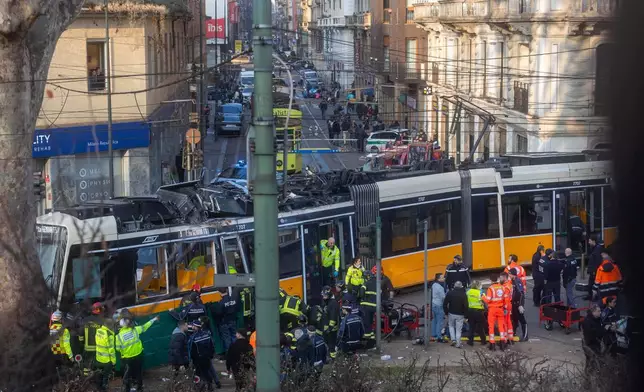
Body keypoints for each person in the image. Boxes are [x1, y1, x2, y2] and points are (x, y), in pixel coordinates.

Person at [115, 314, 159, 392]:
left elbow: (118, 349)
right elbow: (145, 326)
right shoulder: (135, 330)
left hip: (127, 358)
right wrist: (153, 319)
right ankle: (139, 388)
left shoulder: (118, 337)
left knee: (128, 374)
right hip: (139, 356)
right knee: (139, 373)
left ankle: (127, 389)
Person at [189, 319, 222, 391]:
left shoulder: (193, 337)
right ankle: (210, 385)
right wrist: (210, 355)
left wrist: (191, 359)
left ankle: (201, 387)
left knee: (198, 374)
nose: (192, 327)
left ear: (196, 327)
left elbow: (191, 350)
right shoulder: (207, 334)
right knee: (208, 371)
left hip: (198, 360)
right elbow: (212, 346)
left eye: (193, 326)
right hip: (207, 358)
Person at [483, 274, 509, 351]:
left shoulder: (490, 289)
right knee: (501, 326)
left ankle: (492, 344)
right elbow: (506, 299)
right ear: (497, 279)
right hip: (500, 309)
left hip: (492, 310)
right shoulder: (502, 287)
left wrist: (482, 296)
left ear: (491, 280)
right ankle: (502, 343)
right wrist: (505, 308)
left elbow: (487, 300)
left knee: (491, 326)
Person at [213, 287, 239, 353]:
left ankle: (230, 354)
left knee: (227, 339)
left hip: (224, 322)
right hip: (233, 320)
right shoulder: (233, 299)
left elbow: (218, 313)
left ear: (219, 293)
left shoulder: (221, 303)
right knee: (234, 336)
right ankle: (236, 351)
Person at [443, 281, 468, 348]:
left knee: (451, 326)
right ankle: (458, 343)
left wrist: (446, 312)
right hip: (460, 314)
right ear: (461, 286)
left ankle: (453, 340)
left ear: (454, 286)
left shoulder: (450, 293)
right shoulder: (463, 294)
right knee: (458, 329)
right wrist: (466, 316)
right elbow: (466, 306)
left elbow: (445, 304)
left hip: (451, 313)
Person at [581, 304, 605, 374]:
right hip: (590, 345)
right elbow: (590, 335)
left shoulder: (597, 319)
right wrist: (602, 331)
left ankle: (588, 376)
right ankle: (588, 377)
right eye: (598, 311)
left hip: (596, 344)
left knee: (591, 362)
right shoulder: (587, 321)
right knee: (592, 362)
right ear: (593, 312)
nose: (600, 312)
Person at [82, 302, 105, 375]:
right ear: (99, 310)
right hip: (98, 347)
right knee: (97, 363)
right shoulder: (102, 321)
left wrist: (82, 342)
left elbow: (81, 333)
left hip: (87, 347)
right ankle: (96, 375)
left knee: (86, 364)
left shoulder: (85, 320)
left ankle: (86, 378)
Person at [94, 317, 116, 391]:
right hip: (106, 361)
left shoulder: (98, 330)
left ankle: (98, 388)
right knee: (105, 376)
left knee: (99, 374)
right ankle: (103, 388)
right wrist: (113, 361)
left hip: (98, 357)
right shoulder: (109, 335)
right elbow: (111, 350)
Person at [359, 271, 378, 348]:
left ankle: (368, 342)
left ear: (367, 277)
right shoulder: (376, 283)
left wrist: (362, 298)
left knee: (366, 323)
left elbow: (361, 293)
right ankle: (372, 339)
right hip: (375, 306)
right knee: (370, 323)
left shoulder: (366, 283)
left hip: (366, 306)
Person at [508, 268, 528, 341]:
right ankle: (513, 333)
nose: (509, 275)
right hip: (513, 303)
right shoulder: (512, 281)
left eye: (509, 274)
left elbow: (521, 294)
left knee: (522, 320)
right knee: (514, 319)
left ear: (512, 274)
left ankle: (525, 336)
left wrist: (520, 305)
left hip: (517, 304)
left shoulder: (517, 281)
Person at [321, 286, 340, 359]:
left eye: (325, 295)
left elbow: (333, 317)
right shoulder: (327, 302)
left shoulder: (333, 303)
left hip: (331, 329)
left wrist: (330, 328)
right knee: (327, 343)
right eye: (323, 295)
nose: (323, 297)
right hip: (326, 327)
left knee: (331, 344)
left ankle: (333, 357)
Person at [465, 281, 486, 346]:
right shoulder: (481, 292)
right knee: (480, 327)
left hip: (470, 311)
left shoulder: (468, 292)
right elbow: (485, 300)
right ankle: (483, 341)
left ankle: (470, 341)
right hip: (479, 311)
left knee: (471, 327)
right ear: (478, 286)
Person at [431, 273, 447, 342]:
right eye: (442, 278)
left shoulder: (434, 285)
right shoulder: (440, 288)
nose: (444, 279)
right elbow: (443, 298)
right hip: (439, 305)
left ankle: (433, 334)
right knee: (439, 321)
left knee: (434, 320)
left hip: (433, 304)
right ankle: (439, 336)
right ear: (438, 279)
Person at [500, 272, 514, 342]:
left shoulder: (505, 287)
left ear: (504, 277)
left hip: (506, 305)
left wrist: (504, 308)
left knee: (504, 322)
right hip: (509, 304)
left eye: (501, 277)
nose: (500, 279)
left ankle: (504, 339)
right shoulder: (509, 284)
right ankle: (510, 337)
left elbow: (505, 298)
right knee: (508, 321)